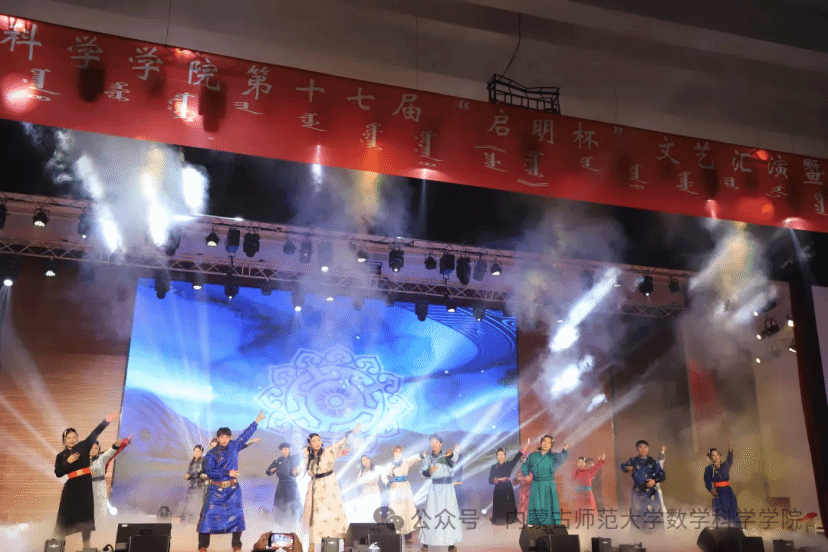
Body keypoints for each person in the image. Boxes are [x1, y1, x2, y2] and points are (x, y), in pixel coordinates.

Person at [197, 410, 265, 552]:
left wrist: (257, 421)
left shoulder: (234, 446)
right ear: (218, 438)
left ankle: (236, 546)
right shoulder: (211, 454)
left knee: (237, 518)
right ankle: (203, 547)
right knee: (206, 517)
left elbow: (245, 435)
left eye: (227, 437)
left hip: (233, 490)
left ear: (229, 438)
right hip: (215, 490)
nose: (224, 439)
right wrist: (227, 473)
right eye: (222, 437)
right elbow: (210, 472)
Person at [53, 411, 118, 549]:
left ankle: (86, 547)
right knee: (65, 517)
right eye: (68, 438)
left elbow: (95, 433)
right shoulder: (61, 456)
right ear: (64, 440)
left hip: (85, 486)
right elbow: (58, 473)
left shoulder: (83, 446)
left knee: (86, 518)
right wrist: (68, 462)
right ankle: (58, 546)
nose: (71, 440)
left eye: (74, 437)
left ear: (77, 438)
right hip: (71, 488)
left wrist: (106, 421)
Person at [302, 423, 361, 552]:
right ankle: (313, 545)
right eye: (314, 441)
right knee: (317, 516)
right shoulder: (309, 457)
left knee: (335, 513)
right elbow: (310, 472)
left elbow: (340, 444)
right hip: (317, 488)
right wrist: (307, 455)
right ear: (309, 444)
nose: (317, 443)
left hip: (330, 486)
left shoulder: (328, 451)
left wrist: (352, 433)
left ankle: (345, 544)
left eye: (318, 440)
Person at [419, 434, 462, 552]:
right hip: (434, 488)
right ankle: (426, 543)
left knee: (449, 515)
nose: (434, 444)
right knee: (430, 515)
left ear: (441, 444)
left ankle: (451, 544)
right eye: (432, 442)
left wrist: (454, 452)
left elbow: (454, 459)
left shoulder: (446, 455)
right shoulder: (428, 458)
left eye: (436, 442)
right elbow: (422, 474)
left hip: (447, 489)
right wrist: (429, 471)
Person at [619, 440, 666, 533]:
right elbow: (622, 466)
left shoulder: (653, 462)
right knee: (637, 514)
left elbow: (662, 475)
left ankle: (658, 536)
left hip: (652, 492)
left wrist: (654, 480)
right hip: (638, 491)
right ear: (637, 449)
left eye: (645, 447)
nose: (643, 449)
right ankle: (637, 536)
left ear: (648, 449)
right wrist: (628, 467)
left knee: (656, 513)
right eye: (640, 447)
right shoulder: (633, 461)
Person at [522, 435, 568, 526]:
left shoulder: (553, 456)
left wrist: (565, 450)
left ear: (551, 445)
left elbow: (563, 457)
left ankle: (550, 526)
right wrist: (526, 474)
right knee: (536, 505)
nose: (546, 444)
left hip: (549, 485)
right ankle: (535, 526)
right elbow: (526, 465)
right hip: (536, 484)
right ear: (541, 442)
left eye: (549, 443)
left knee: (549, 506)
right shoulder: (533, 456)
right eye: (544, 441)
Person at [382, 446, 422, 541]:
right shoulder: (390, 464)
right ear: (393, 453)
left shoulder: (405, 461)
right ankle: (396, 533)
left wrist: (421, 455)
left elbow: (413, 458)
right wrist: (388, 483)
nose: (397, 453)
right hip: (396, 488)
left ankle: (407, 533)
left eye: (399, 452)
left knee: (407, 509)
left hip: (405, 487)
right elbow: (383, 475)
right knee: (396, 510)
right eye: (396, 452)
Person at [89, 436, 131, 522]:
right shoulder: (80, 460)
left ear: (98, 450)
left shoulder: (102, 457)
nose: (93, 450)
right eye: (90, 448)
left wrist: (124, 442)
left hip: (98, 488)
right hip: (84, 489)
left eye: (95, 448)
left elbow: (113, 451)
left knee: (100, 513)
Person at [488, 440, 527, 525]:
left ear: (505, 455)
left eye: (502, 454)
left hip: (507, 486)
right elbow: (490, 480)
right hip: (498, 487)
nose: (500, 456)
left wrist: (524, 449)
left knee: (508, 503)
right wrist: (496, 479)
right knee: (499, 504)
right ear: (497, 456)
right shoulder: (494, 467)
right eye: (499, 455)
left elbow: (516, 458)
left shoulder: (509, 464)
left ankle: (509, 519)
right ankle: (499, 519)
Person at [704, 442, 741, 528]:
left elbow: (730, 460)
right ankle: (723, 533)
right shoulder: (709, 469)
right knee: (721, 514)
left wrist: (730, 450)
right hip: (719, 493)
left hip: (729, 492)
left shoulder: (725, 466)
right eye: (713, 455)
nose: (716, 457)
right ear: (711, 458)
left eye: (717, 454)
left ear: (720, 455)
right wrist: (711, 489)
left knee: (733, 512)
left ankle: (737, 531)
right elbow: (707, 480)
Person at [266, 442, 302, 531]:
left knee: (294, 505)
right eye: (283, 450)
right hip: (281, 485)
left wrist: (296, 472)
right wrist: (271, 471)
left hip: (292, 485)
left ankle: (295, 526)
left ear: (289, 449)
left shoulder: (294, 459)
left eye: (286, 449)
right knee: (279, 505)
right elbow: (268, 471)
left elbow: (301, 467)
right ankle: (279, 526)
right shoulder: (277, 460)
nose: (285, 451)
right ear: (281, 451)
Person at [182, 445, 208, 523]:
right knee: (189, 503)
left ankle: (197, 521)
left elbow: (199, 471)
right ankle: (188, 520)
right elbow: (190, 472)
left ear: (202, 453)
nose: (196, 453)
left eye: (198, 451)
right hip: (192, 485)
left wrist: (190, 475)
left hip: (199, 485)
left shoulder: (203, 460)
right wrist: (187, 476)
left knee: (197, 503)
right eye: (195, 451)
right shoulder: (192, 461)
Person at [353, 455, 381, 522]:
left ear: (369, 460)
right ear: (362, 463)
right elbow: (358, 481)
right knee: (365, 511)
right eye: (363, 460)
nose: (365, 461)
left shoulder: (376, 468)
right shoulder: (361, 471)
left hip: (374, 491)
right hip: (366, 492)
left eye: (366, 459)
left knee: (375, 510)